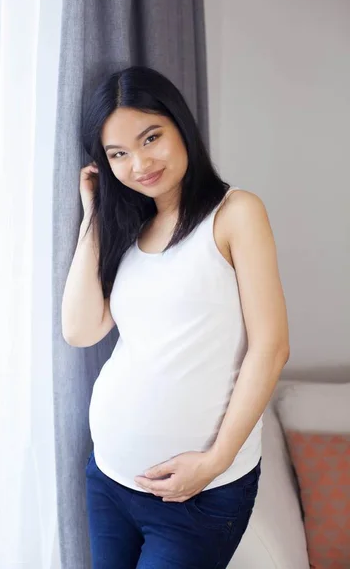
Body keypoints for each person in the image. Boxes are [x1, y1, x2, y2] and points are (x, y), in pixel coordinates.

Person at [61, 66, 290, 569]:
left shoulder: (236, 213)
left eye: (151, 137)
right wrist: (94, 213)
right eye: (118, 153)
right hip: (109, 480)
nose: (139, 163)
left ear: (180, 125)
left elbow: (270, 347)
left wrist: (215, 461)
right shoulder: (131, 228)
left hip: (198, 495)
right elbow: (80, 330)